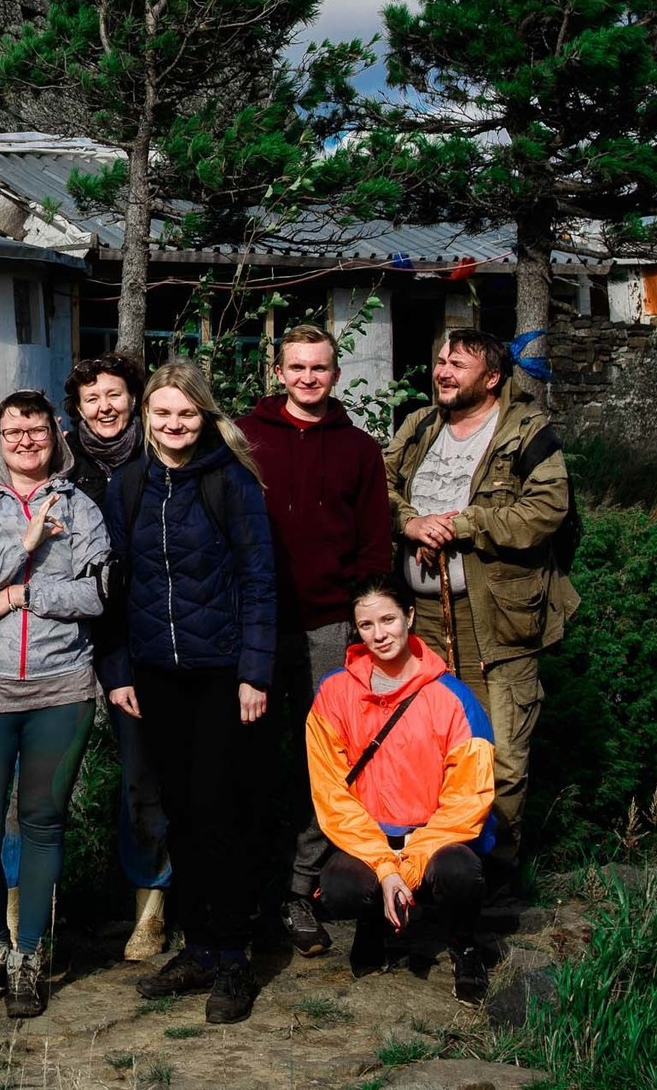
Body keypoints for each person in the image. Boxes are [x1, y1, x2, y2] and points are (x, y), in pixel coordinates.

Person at [98, 361, 282, 1027]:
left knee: (220, 811)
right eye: (163, 415)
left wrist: (254, 671)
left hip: (222, 675)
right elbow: (113, 590)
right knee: (177, 812)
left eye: (187, 414)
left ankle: (234, 956)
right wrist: (116, 670)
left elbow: (261, 580)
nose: (175, 425)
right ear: (147, 419)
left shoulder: (231, 483)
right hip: (154, 674)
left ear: (205, 416)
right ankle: (199, 947)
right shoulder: (129, 485)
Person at [0, 390, 109, 1018]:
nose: (26, 441)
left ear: (54, 433)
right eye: (13, 432)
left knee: (41, 822)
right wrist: (27, 544)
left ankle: (29, 955)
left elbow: (97, 592)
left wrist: (19, 596)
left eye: (36, 430)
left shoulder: (82, 507)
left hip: (60, 685)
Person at [383, 327, 577, 869]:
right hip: (419, 622)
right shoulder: (419, 425)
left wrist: (464, 524)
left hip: (498, 621)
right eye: (440, 360)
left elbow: (545, 510)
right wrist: (412, 521)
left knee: (502, 756)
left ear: (491, 378)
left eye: (457, 365)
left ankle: (494, 877)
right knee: (430, 749)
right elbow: (380, 484)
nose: (443, 372)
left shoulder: (527, 432)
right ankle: (432, 868)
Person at [237, 325, 395, 956]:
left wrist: (362, 623)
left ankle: (299, 890)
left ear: (334, 373)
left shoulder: (357, 448)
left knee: (322, 763)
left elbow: (374, 543)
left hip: (328, 625)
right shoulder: (244, 438)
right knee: (249, 758)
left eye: (320, 368)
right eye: (296, 367)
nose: (308, 378)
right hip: (254, 623)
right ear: (278, 373)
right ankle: (246, 889)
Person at [306, 577, 496, 1003]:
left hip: (439, 838)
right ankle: (372, 923)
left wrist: (406, 868)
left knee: (460, 873)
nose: (379, 634)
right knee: (339, 888)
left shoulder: (454, 697)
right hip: (370, 839)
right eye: (366, 624)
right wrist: (385, 867)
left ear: (410, 616)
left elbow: (468, 800)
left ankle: (464, 945)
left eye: (388, 619)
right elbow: (332, 796)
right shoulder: (333, 694)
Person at [65, 352, 170, 961]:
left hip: (138, 639)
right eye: (91, 399)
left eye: (115, 395)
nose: (104, 408)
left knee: (141, 780)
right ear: (76, 408)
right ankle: (49, 908)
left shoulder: (159, 458)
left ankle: (150, 908)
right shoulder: (62, 464)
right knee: (56, 782)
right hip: (68, 641)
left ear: (134, 398)